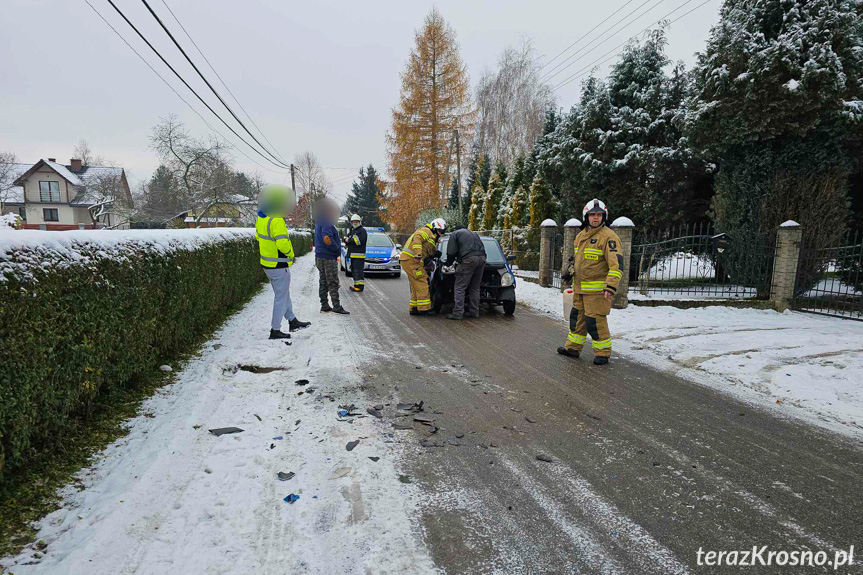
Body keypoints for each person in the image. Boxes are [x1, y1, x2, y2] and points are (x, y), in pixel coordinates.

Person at [557, 198, 623, 365]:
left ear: (604, 217)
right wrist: (570, 271)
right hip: (580, 288)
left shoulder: (609, 237)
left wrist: (611, 286)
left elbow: (616, 265)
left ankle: (603, 352)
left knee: (595, 322)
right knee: (577, 320)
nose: (595, 218)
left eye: (599, 215)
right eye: (592, 214)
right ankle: (572, 348)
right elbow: (578, 259)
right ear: (586, 216)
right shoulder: (581, 236)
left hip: (598, 291)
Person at [256, 184, 311, 339]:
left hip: (268, 264)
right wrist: (290, 254)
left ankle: (292, 321)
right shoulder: (276, 220)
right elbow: (282, 243)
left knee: (283, 294)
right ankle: (275, 329)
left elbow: (259, 238)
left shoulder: (262, 218)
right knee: (281, 297)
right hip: (279, 264)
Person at [399, 218, 446, 315]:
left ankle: (414, 308)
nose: (440, 234)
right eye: (439, 231)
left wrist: (433, 254)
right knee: (422, 282)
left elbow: (426, 249)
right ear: (434, 228)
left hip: (408, 260)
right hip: (412, 260)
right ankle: (424, 309)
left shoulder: (431, 236)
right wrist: (418, 255)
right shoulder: (426, 231)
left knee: (416, 285)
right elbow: (418, 238)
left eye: (442, 232)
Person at [313, 198, 349, 314]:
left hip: (319, 256)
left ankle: (324, 305)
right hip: (328, 257)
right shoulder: (327, 221)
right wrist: (336, 249)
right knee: (332, 281)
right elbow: (327, 238)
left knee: (323, 281)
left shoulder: (319, 221)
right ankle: (336, 306)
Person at [444, 225, 487, 320]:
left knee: (459, 287)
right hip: (482, 259)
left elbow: (451, 251)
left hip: (468, 260)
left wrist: (448, 263)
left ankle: (458, 313)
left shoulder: (455, 234)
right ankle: (474, 312)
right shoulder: (474, 233)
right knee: (475, 287)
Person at [344, 213, 367, 292]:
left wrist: (349, 240)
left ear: (359, 222)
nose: (355, 223)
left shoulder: (362, 231)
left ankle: (360, 287)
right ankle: (356, 285)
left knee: (358, 271)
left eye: (356, 221)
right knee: (354, 271)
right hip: (353, 255)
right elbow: (346, 238)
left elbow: (359, 241)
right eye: (353, 221)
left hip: (359, 256)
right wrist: (346, 239)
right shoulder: (353, 230)